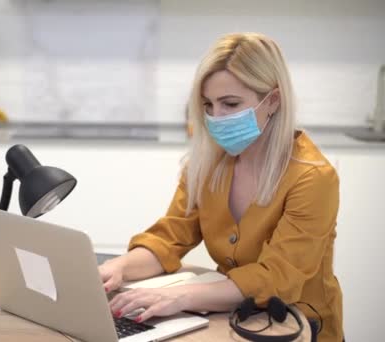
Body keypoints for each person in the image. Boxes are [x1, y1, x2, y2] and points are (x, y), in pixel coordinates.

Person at [99, 32, 343, 342]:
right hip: (232, 320)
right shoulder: (206, 164)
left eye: (230, 103)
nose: (216, 117)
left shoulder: (313, 177)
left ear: (274, 100)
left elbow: (279, 277)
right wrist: (119, 267)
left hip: (300, 327)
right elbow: (170, 237)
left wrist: (182, 297)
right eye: (208, 105)